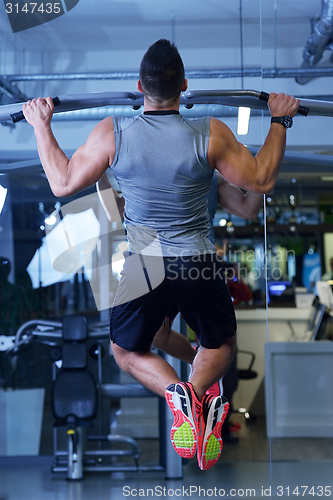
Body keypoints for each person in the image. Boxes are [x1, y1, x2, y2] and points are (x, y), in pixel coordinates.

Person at [23, 39, 299, 470]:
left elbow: (62, 183)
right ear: (184, 86)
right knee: (222, 343)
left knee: (126, 351)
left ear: (139, 86)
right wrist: (280, 120)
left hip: (144, 260)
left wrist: (42, 125)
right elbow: (260, 181)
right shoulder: (209, 132)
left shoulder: (112, 132)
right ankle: (194, 392)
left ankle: (177, 394)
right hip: (196, 259)